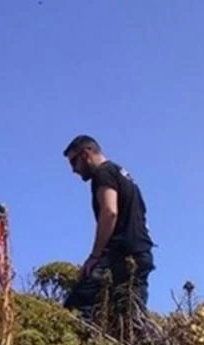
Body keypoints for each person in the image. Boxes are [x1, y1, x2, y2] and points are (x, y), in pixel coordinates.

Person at [61, 134, 155, 325]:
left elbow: (110, 211)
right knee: (128, 318)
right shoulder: (122, 174)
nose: (73, 170)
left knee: (78, 308)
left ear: (86, 154)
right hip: (141, 253)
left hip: (119, 255)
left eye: (74, 162)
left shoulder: (103, 174)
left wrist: (95, 257)